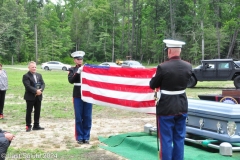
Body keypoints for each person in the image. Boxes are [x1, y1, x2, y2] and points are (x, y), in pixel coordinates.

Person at [149, 39, 192, 160]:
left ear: (169, 51)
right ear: (179, 51)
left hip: (166, 106)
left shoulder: (163, 67)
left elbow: (153, 84)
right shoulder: (188, 66)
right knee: (179, 138)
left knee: (166, 139)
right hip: (182, 105)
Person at [68, 51, 92, 144]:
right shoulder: (72, 69)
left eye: (81, 59)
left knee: (87, 117)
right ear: (74, 60)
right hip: (77, 94)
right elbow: (71, 80)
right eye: (78, 59)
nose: (80, 61)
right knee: (79, 117)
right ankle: (79, 137)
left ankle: (86, 137)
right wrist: (78, 72)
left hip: (88, 94)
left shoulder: (87, 68)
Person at [22, 61, 45, 132]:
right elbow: (28, 86)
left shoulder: (39, 75)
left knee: (37, 111)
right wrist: (36, 91)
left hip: (38, 96)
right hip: (30, 97)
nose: (34, 68)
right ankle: (28, 125)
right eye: (32, 67)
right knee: (29, 111)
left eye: (35, 67)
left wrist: (41, 90)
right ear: (29, 67)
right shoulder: (26, 76)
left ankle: (36, 125)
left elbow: (43, 83)